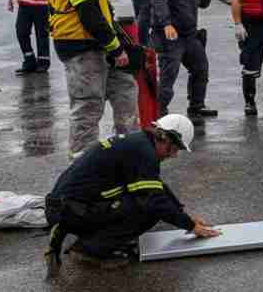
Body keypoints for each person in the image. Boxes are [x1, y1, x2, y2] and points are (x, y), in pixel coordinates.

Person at [44, 113, 220, 274]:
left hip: (69, 207)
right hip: (70, 211)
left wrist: (183, 214)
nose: (173, 155)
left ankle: (92, 237)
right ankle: (90, 249)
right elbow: (154, 200)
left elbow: (156, 186)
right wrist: (190, 226)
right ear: (163, 137)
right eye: (173, 149)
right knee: (148, 210)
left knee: (146, 200)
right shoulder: (144, 152)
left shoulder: (139, 143)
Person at [47, 0, 137, 158]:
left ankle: (129, 149)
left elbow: (101, 13)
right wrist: (115, 48)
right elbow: (90, 15)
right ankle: (82, 161)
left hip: (97, 46)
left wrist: (117, 42)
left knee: (125, 92)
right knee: (87, 106)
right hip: (82, 48)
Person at [150, 0, 221, 120]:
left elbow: (203, 4)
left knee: (200, 68)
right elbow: (159, 2)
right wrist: (166, 24)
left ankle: (196, 106)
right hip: (170, 37)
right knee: (168, 75)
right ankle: (158, 112)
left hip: (189, 36)